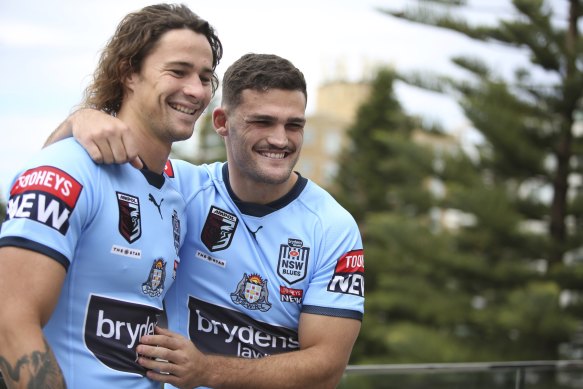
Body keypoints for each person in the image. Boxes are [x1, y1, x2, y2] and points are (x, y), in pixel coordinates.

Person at [46, 53, 364, 389]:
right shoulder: (179, 188)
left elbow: (327, 367)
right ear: (222, 122)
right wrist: (78, 121)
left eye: (294, 125)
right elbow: (55, 181)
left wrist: (208, 372)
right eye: (263, 122)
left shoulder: (333, 227)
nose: (280, 139)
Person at [0, 4, 223, 388]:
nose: (196, 90)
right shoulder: (67, 169)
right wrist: (78, 119)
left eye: (206, 77)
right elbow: (9, 322)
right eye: (178, 71)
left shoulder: (176, 190)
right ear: (128, 72)